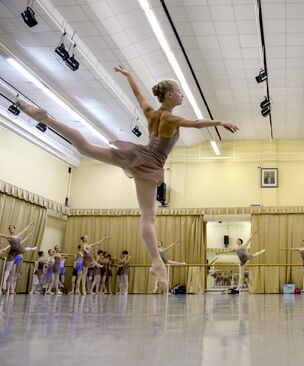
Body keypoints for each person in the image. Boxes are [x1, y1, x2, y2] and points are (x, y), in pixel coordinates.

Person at [16, 65, 238, 291]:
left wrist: (130, 75)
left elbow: (138, 95)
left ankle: (48, 119)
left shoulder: (151, 112)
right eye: (179, 91)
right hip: (149, 164)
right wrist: (219, 122)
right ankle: (156, 262)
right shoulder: (171, 118)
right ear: (170, 94)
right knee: (148, 217)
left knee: (85, 147)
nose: (182, 94)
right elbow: (196, 123)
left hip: (135, 154)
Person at [1, 223, 36, 292]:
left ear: (14, 229)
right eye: (10, 228)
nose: (11, 229)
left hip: (19, 249)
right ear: (9, 230)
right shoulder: (8, 236)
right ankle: (4, 282)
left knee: (26, 249)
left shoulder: (18, 235)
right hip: (12, 252)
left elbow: (24, 230)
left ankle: (33, 248)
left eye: (12, 228)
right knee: (8, 268)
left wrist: (29, 224)